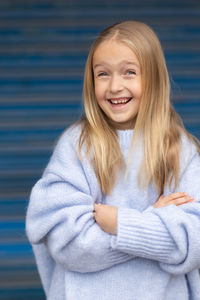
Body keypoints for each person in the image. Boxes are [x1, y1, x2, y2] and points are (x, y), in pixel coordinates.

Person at [26, 21, 200, 300]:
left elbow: (193, 242)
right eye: (103, 74)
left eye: (129, 72)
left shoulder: (180, 150)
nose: (115, 86)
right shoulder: (77, 146)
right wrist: (154, 222)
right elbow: (66, 241)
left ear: (153, 78)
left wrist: (121, 222)